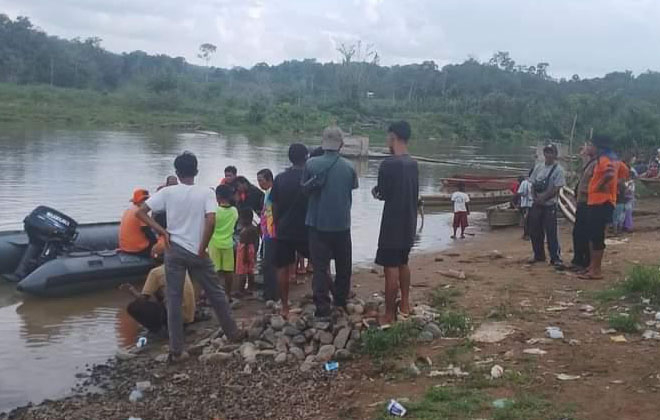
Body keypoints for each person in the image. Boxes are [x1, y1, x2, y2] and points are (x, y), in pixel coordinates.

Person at [136, 151, 243, 362]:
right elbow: (210, 221)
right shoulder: (205, 193)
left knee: (173, 299)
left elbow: (140, 212)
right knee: (216, 293)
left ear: (177, 171)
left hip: (174, 249)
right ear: (196, 171)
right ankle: (233, 333)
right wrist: (202, 247)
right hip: (197, 250)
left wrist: (162, 231)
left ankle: (176, 348)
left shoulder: (168, 192)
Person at [303, 126, 358, 318]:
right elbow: (352, 188)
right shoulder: (350, 167)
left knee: (320, 267)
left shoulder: (311, 165)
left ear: (323, 143)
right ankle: (340, 300)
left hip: (317, 225)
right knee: (344, 265)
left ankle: (322, 307)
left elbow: (304, 189)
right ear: (341, 144)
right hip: (342, 224)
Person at [372, 121, 419, 324]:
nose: (387, 141)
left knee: (390, 268)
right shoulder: (413, 163)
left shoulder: (389, 164)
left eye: (388, 137)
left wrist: (376, 192)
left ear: (393, 137)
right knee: (403, 263)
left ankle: (389, 314)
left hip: (392, 223)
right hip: (409, 221)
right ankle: (405, 304)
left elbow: (382, 192)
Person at [271, 143, 310, 317]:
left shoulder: (280, 178)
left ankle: (285, 306)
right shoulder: (310, 177)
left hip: (284, 229)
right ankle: (323, 301)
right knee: (320, 265)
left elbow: (274, 205)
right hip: (307, 229)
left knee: (282, 268)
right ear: (306, 157)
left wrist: (277, 224)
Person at [579, 135, 620, 280]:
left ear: (598, 147)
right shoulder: (601, 159)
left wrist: (597, 186)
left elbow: (609, 174)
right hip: (595, 202)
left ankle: (596, 270)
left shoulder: (605, 160)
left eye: (591, 145)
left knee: (597, 236)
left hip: (602, 202)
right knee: (592, 234)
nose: (589, 147)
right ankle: (592, 266)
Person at [528, 144, 566, 267]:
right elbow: (532, 184)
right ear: (544, 154)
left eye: (551, 152)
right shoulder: (538, 167)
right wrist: (534, 198)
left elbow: (557, 187)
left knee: (551, 232)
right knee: (534, 231)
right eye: (547, 152)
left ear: (555, 155)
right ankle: (538, 255)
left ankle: (555, 257)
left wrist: (543, 198)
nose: (549, 155)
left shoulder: (558, 170)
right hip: (537, 204)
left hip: (549, 205)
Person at [570, 141, 597, 272]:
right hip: (582, 202)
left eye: (590, 146)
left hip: (589, 202)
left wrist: (587, 192)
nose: (587, 148)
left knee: (585, 233)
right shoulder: (588, 163)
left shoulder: (597, 164)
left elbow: (596, 183)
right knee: (578, 232)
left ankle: (585, 262)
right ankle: (578, 260)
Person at [209, 184, 239, 300]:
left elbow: (209, 225)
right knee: (228, 271)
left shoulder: (215, 211)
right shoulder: (234, 211)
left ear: (218, 197)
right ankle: (228, 294)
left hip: (214, 243)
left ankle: (215, 295)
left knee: (215, 271)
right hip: (228, 243)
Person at [257, 168, 278, 301]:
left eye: (261, 180)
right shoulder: (267, 193)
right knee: (267, 263)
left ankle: (270, 294)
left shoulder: (272, 193)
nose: (259, 183)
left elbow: (272, 213)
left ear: (269, 179)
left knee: (269, 264)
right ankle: (269, 292)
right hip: (267, 232)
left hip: (271, 232)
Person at [118, 188, 157, 255]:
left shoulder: (129, 209)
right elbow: (148, 232)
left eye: (147, 200)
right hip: (138, 249)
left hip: (125, 248)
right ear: (138, 201)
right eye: (144, 200)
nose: (146, 202)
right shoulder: (140, 213)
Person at [236, 207, 260, 295]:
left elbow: (245, 246)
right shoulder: (254, 228)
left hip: (244, 253)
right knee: (250, 271)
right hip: (252, 250)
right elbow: (257, 241)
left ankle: (240, 290)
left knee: (242, 272)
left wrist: (245, 256)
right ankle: (250, 288)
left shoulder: (244, 232)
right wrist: (254, 253)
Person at [516, 175, 533, 240]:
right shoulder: (534, 181)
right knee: (531, 220)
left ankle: (527, 234)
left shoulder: (524, 183)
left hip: (526, 204)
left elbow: (520, 193)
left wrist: (525, 195)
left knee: (526, 220)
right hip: (533, 204)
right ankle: (529, 234)